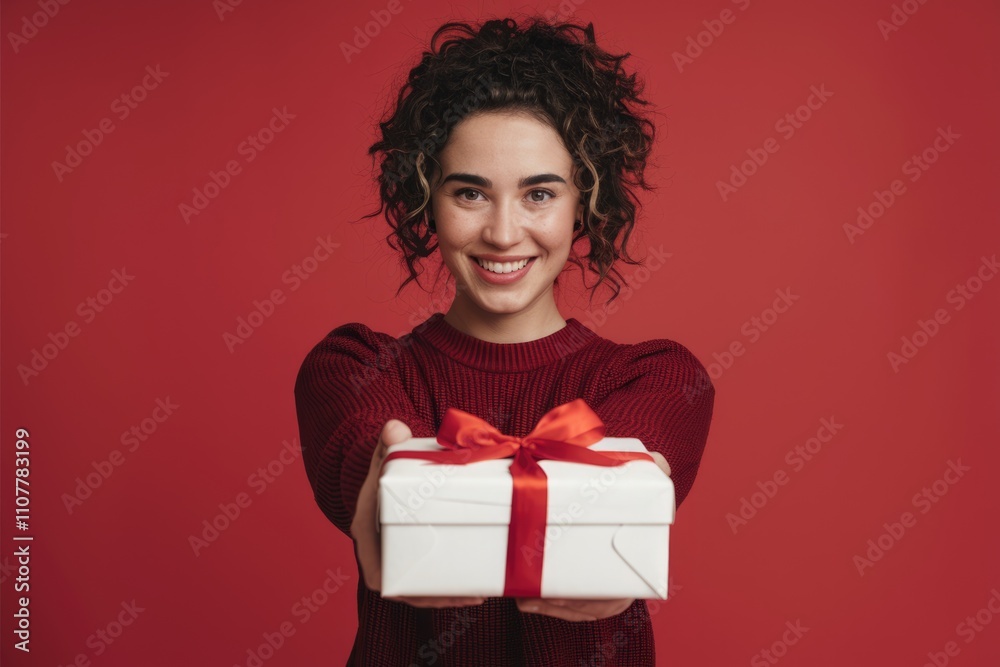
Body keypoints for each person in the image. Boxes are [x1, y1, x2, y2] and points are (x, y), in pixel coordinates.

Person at [294, 15, 715, 666]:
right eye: (470, 193)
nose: (502, 231)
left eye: (539, 193)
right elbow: (363, 450)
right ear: (426, 201)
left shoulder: (660, 376)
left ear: (586, 201)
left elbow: (638, 470)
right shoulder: (354, 366)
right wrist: (378, 491)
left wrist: (631, 495)